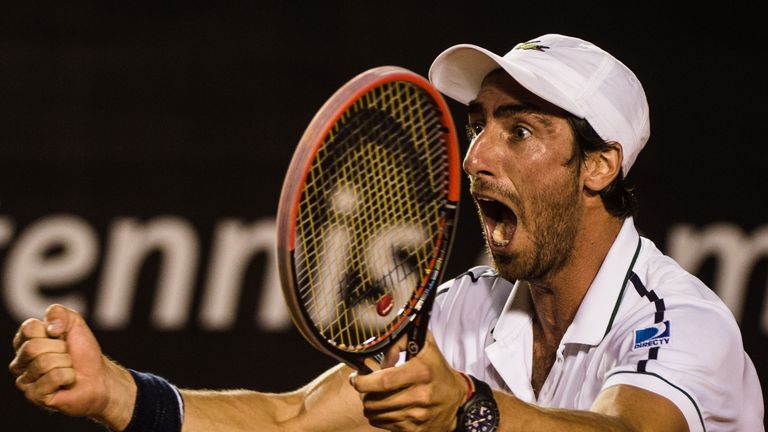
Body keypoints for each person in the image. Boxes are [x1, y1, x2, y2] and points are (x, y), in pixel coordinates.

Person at [9, 33, 764, 432]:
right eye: (477, 127)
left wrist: (465, 410)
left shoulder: (682, 322)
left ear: (598, 167)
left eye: (521, 132)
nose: (476, 158)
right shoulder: (466, 309)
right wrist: (114, 395)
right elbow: (293, 420)